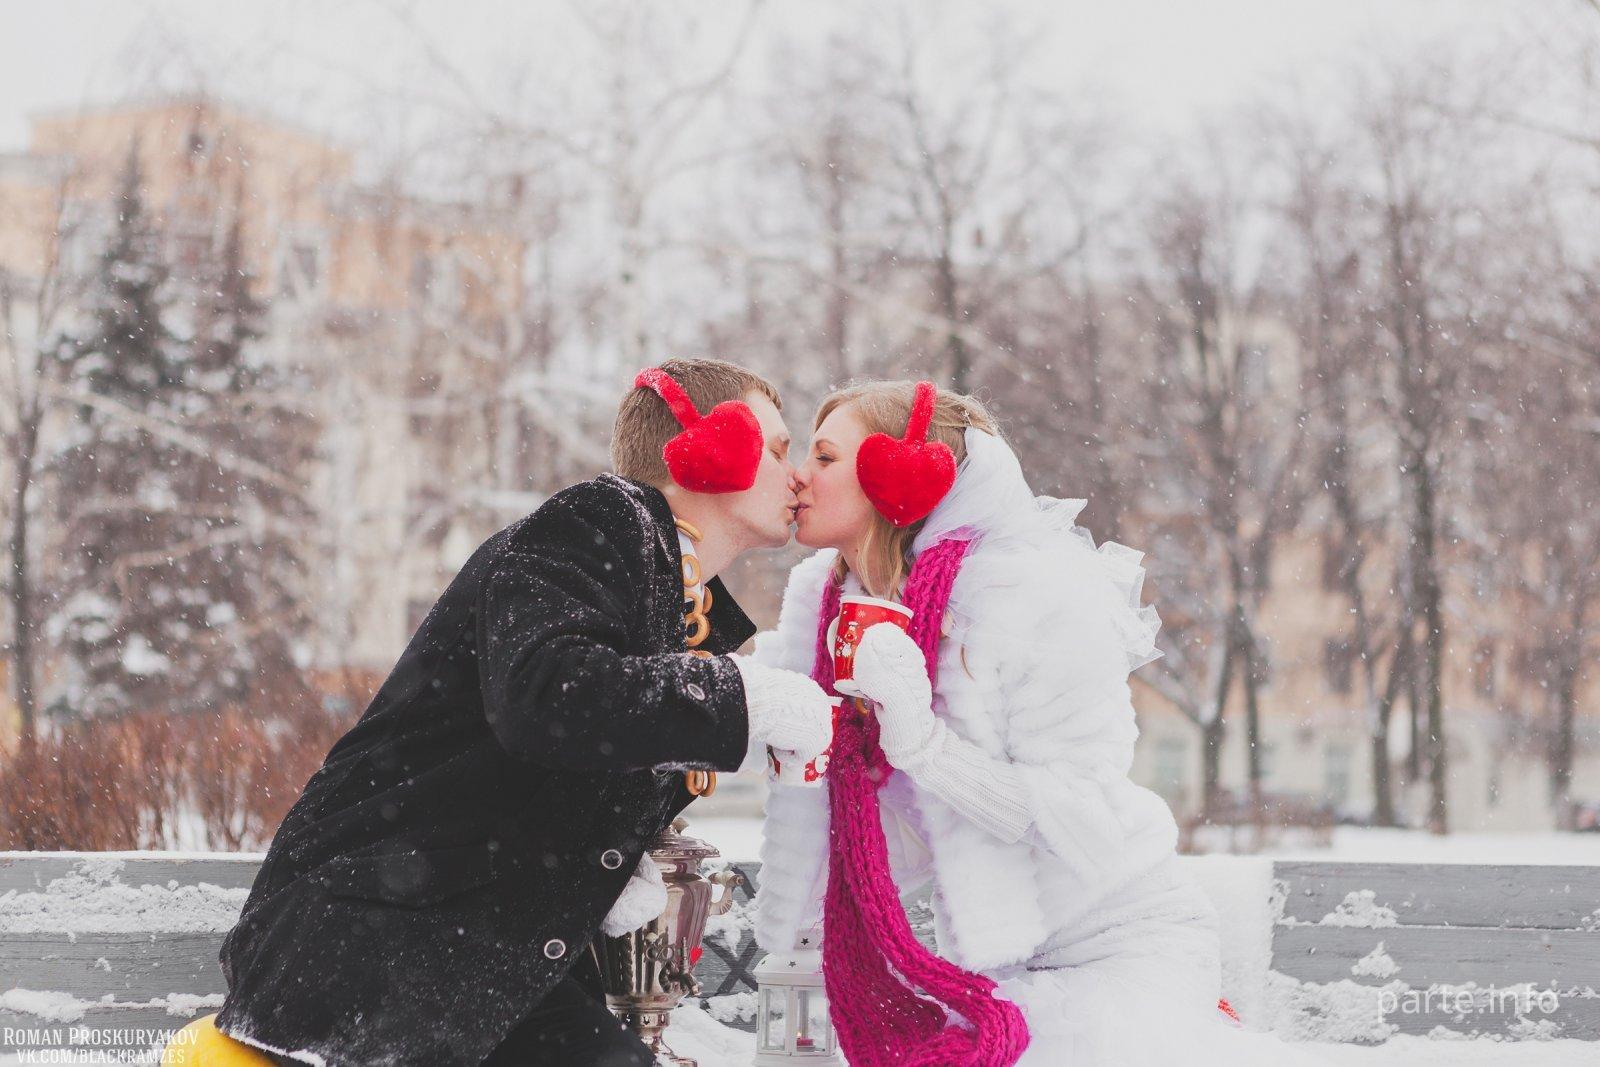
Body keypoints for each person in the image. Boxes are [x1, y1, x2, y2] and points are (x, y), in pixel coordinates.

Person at [195, 358, 835, 1066]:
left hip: (464, 957)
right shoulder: (595, 521)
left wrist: (606, 861)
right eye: (778, 449)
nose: (796, 476)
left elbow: (558, 754)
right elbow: (546, 695)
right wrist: (738, 696)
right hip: (376, 943)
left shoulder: (672, 598)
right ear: (709, 449)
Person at [752, 380, 1332, 1065]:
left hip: (1118, 946)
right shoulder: (827, 607)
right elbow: (884, 827)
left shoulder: (1027, 596)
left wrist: (924, 745)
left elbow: (1079, 815)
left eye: (824, 457)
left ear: (896, 481)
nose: (799, 476)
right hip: (993, 971)